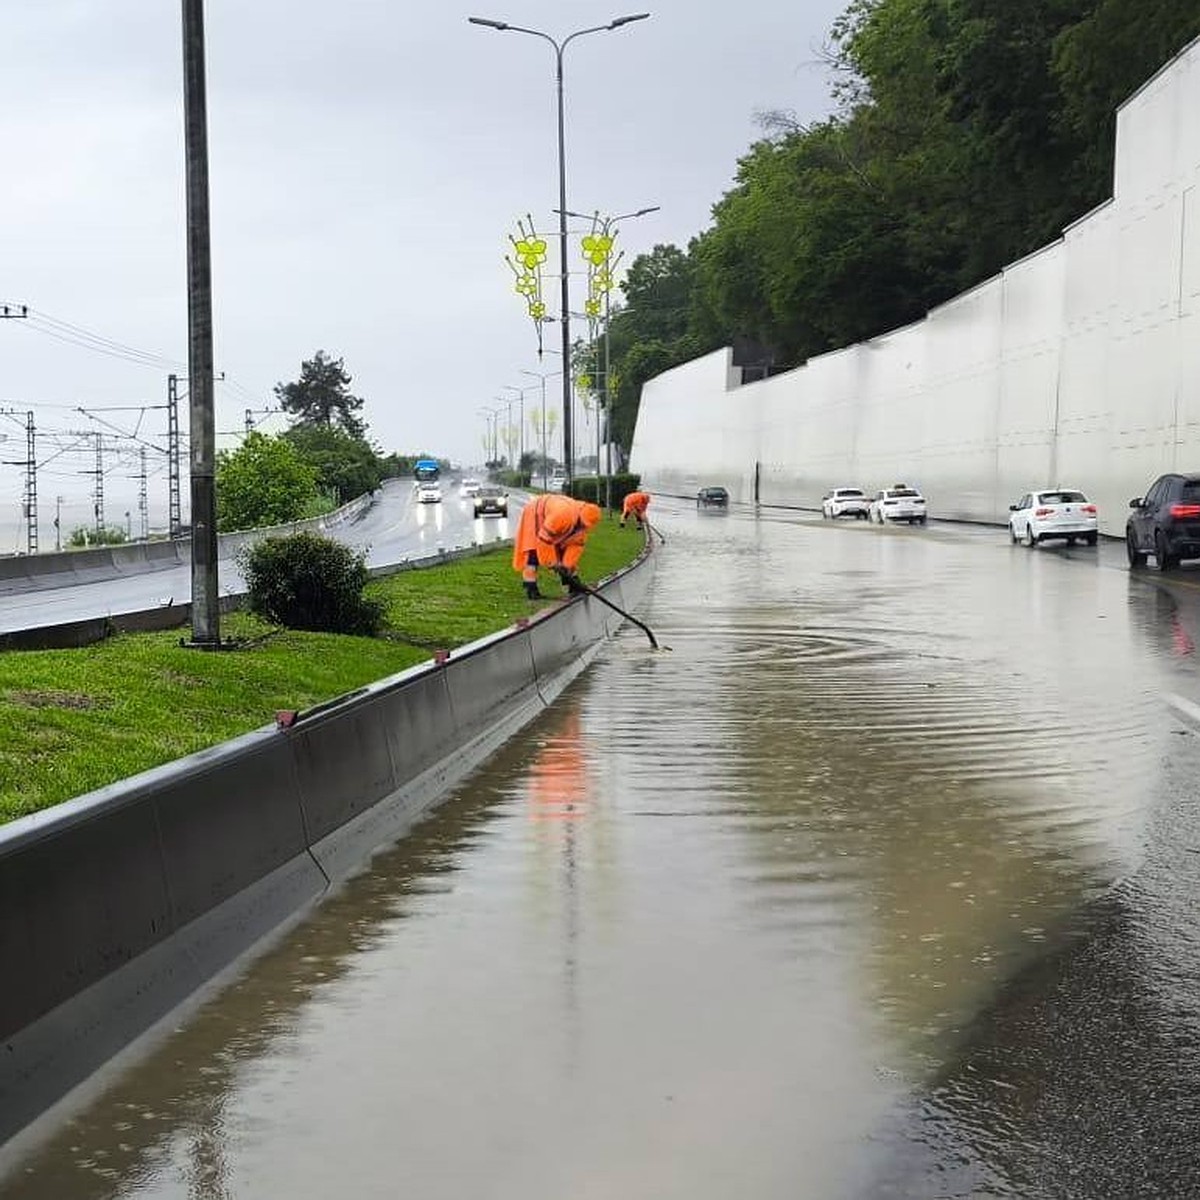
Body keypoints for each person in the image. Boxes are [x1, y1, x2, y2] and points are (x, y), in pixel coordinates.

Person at [512, 494, 603, 599]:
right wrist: (551, 562)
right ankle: (531, 589)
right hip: (535, 513)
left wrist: (566, 566)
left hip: (553, 520)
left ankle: (573, 585)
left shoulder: (581, 525)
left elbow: (575, 545)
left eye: (585, 525)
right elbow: (543, 540)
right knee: (533, 554)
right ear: (580, 516)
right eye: (582, 523)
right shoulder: (562, 514)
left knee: (565, 562)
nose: (583, 526)